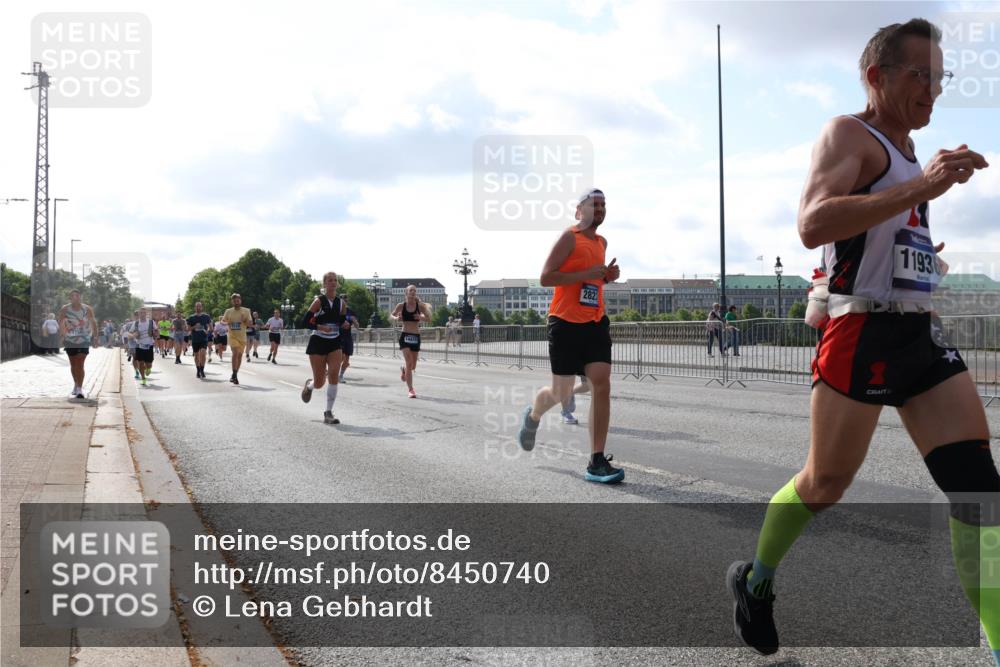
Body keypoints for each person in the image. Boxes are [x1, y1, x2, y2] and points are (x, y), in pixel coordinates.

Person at [726, 19, 998, 665]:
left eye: (940, 78)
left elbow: (885, 237)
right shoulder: (850, 132)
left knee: (980, 491)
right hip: (860, 331)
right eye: (919, 76)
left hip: (918, 334)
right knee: (824, 482)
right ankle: (755, 579)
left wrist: (924, 251)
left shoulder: (906, 150)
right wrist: (923, 187)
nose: (932, 90)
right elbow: (812, 221)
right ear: (877, 76)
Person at [516, 188, 623, 483]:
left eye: (603, 204)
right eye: (594, 204)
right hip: (564, 322)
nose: (600, 209)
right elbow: (546, 277)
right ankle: (533, 415)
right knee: (561, 392)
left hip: (595, 321)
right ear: (580, 210)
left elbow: (591, 279)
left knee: (601, 385)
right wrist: (588, 272)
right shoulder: (569, 238)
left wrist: (605, 277)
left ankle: (596, 461)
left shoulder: (601, 241)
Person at [299, 273, 347, 424]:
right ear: (324, 284)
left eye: (335, 281)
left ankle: (328, 413)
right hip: (318, 341)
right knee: (320, 382)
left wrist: (345, 324)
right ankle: (310, 385)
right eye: (329, 280)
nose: (333, 283)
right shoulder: (319, 301)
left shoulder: (341, 303)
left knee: (334, 375)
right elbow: (304, 322)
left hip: (334, 342)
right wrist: (320, 327)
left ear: (337, 284)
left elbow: (341, 322)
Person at [391, 285, 431, 398]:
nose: (413, 292)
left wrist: (421, 317)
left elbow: (429, 318)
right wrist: (396, 319)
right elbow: (391, 314)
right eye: (410, 290)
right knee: (408, 362)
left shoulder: (420, 306)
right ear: (406, 293)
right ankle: (411, 390)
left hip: (416, 336)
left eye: (414, 290)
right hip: (405, 336)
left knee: (412, 366)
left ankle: (405, 371)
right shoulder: (401, 305)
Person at [58, 289, 98, 399]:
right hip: (70, 340)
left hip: (84, 339)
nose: (76, 297)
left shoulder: (87, 309)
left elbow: (93, 322)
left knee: (80, 363)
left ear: (80, 297)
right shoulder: (65, 309)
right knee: (73, 364)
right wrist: (62, 335)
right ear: (70, 298)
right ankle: (75, 384)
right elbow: (61, 322)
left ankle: (80, 389)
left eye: (78, 295)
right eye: (73, 296)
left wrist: (95, 337)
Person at [221, 294, 254, 384]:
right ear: (232, 302)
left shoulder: (246, 311)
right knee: (235, 353)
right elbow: (223, 321)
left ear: (240, 301)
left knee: (239, 356)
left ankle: (234, 374)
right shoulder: (228, 311)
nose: (236, 302)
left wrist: (244, 321)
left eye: (238, 300)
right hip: (232, 336)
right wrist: (228, 322)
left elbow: (250, 324)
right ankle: (234, 375)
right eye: (235, 301)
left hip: (242, 337)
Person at [128, 307, 157, 386]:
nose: (142, 314)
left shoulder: (151, 322)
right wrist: (133, 335)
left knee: (149, 364)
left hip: (149, 345)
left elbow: (156, 331)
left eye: (144, 313)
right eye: (140, 313)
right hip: (139, 345)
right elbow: (129, 333)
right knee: (141, 363)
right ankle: (143, 379)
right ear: (139, 314)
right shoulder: (136, 323)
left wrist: (155, 334)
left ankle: (148, 368)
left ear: (146, 314)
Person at [186, 302, 212, 379]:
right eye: (197, 307)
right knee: (197, 355)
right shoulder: (191, 317)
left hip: (204, 338)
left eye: (199, 306)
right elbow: (188, 329)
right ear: (195, 308)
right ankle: (198, 370)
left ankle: (202, 370)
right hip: (195, 339)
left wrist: (208, 331)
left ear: (202, 307)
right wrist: (194, 327)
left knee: (203, 354)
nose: (198, 308)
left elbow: (211, 328)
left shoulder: (206, 316)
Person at [339, 303, 360, 382]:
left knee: (346, 361)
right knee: (340, 358)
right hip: (338, 337)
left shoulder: (351, 312)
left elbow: (357, 326)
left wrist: (354, 321)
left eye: (345, 300)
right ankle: (332, 372)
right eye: (342, 300)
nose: (344, 301)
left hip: (348, 337)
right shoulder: (337, 310)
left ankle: (341, 375)